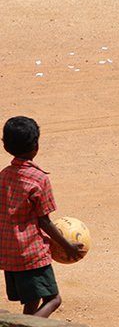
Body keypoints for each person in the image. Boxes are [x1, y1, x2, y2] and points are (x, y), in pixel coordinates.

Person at [0, 116, 84, 318]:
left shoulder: (3, 176)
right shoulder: (39, 179)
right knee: (54, 299)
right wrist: (67, 246)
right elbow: (44, 221)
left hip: (9, 253)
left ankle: (25, 322)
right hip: (31, 255)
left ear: (5, 145)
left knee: (31, 300)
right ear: (35, 146)